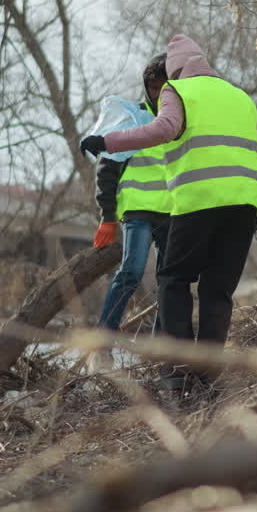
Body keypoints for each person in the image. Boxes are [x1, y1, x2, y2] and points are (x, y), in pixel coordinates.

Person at [80, 35, 257, 393]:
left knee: (173, 279)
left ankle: (178, 374)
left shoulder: (178, 90)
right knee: (218, 291)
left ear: (175, 70)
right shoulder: (240, 96)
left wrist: (107, 142)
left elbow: (164, 128)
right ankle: (208, 376)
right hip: (242, 206)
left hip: (196, 202)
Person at [85, 54, 172, 370]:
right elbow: (107, 168)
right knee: (131, 272)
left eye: (165, 87)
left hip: (174, 211)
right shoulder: (133, 118)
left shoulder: (181, 121)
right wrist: (107, 216)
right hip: (137, 211)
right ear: (147, 88)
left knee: (170, 280)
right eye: (154, 87)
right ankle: (102, 346)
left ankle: (162, 352)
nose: (159, 94)